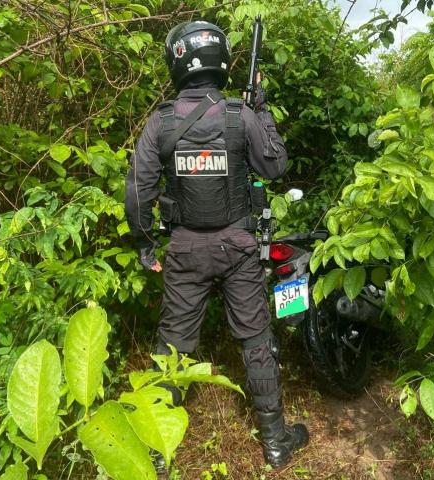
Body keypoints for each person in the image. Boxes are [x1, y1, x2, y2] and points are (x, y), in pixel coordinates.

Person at [124, 20, 308, 468]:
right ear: (220, 60)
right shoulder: (238, 115)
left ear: (178, 62)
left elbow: (137, 192)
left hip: (185, 250)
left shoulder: (161, 122)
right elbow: (276, 166)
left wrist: (145, 244)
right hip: (238, 247)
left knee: (172, 346)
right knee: (255, 338)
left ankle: (157, 454)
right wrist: (261, 110)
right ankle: (276, 441)